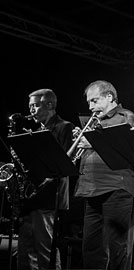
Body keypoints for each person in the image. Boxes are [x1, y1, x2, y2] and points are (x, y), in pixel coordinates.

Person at [74, 80, 134, 269]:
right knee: (91, 249)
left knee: (117, 247)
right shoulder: (93, 123)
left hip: (116, 188)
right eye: (88, 102)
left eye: (94, 101)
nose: (90, 106)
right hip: (91, 189)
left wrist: (95, 142)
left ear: (109, 97)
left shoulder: (125, 116)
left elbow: (132, 151)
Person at [17, 89, 74, 269]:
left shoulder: (64, 127)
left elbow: (64, 162)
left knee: (44, 249)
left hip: (50, 196)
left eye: (35, 105)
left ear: (49, 105)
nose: (32, 110)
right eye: (30, 107)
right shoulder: (35, 130)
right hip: (32, 197)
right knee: (25, 250)